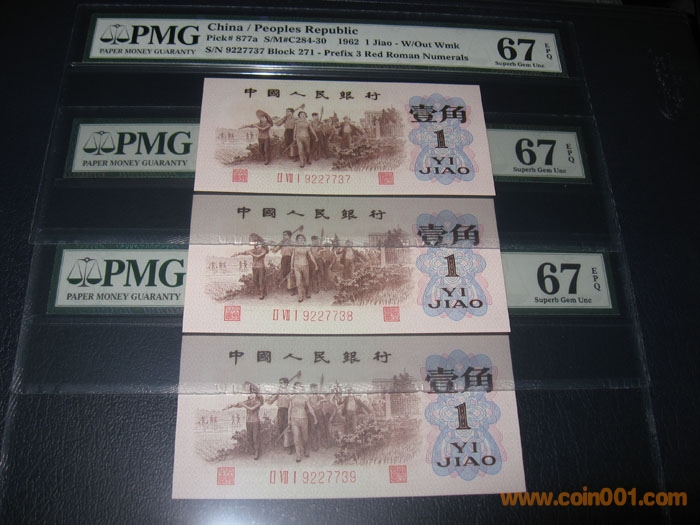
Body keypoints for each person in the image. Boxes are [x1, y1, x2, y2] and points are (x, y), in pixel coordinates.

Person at [289, 382, 317, 462]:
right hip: (294, 419)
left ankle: (306, 450)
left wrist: (315, 417)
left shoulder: (305, 397)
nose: (298, 389)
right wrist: (288, 419)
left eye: (300, 387)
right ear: (294, 389)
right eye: (296, 387)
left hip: (304, 419)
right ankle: (298, 455)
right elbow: (289, 409)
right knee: (296, 438)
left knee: (305, 438)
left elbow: (310, 408)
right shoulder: (292, 397)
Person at [233, 385, 263, 460]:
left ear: (256, 394)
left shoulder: (258, 402)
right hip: (248, 422)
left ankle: (256, 452)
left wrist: (243, 404)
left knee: (255, 438)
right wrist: (232, 405)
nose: (251, 395)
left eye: (253, 393)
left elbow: (251, 409)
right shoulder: (247, 402)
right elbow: (239, 405)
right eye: (250, 393)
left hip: (255, 422)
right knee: (249, 438)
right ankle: (253, 450)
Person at [235, 234, 268, 299]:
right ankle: (261, 291)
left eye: (258, 244)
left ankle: (262, 294)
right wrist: (239, 253)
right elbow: (245, 253)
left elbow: (258, 256)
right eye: (256, 245)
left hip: (261, 267)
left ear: (261, 244)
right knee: (255, 281)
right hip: (254, 267)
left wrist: (250, 253)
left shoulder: (263, 250)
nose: (257, 246)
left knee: (261, 281)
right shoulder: (254, 250)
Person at [266, 378, 293, 454]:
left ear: (286, 384)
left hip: (287, 411)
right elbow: (271, 402)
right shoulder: (279, 392)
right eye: (280, 383)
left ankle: (288, 447)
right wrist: (268, 399)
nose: (280, 384)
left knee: (287, 428)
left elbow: (291, 401)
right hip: (280, 411)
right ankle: (284, 443)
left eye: (282, 383)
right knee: (280, 427)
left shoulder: (289, 392)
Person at [291, 234, 318, 302]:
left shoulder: (307, 248)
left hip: (305, 265)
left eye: (302, 239)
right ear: (297, 240)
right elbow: (292, 257)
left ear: (304, 240)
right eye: (299, 239)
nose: (301, 240)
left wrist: (315, 265)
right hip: (296, 266)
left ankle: (307, 292)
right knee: (298, 282)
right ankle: (300, 296)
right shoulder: (295, 248)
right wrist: (291, 266)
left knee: (307, 282)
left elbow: (311, 256)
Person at [270, 230, 295, 296]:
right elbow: (275, 251)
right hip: (284, 259)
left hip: (291, 258)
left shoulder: (293, 243)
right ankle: (287, 287)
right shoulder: (282, 243)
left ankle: (292, 289)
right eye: (283, 235)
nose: (284, 236)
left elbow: (295, 252)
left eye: (285, 235)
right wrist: (273, 247)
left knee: (290, 273)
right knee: (284, 273)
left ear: (289, 236)